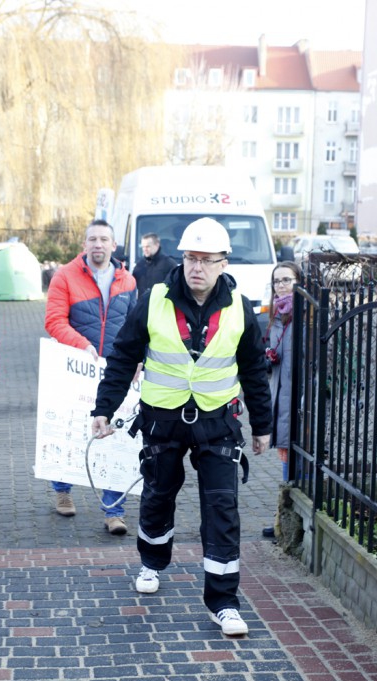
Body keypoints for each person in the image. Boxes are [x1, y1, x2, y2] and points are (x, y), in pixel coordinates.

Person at [90, 217, 272, 636]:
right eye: (191, 257)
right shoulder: (154, 299)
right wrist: (104, 407)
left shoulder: (240, 307)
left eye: (207, 260)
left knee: (222, 509)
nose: (198, 267)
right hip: (163, 420)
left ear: (224, 264)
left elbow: (255, 372)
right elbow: (122, 357)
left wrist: (261, 426)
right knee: (157, 497)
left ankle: (224, 602)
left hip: (218, 423)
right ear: (183, 259)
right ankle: (152, 562)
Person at [44, 219, 137, 535]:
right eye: (92, 239)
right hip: (75, 367)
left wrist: (137, 360)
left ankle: (114, 511)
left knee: (112, 438)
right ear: (84, 245)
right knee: (69, 433)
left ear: (113, 245)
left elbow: (136, 327)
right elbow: (54, 321)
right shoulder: (65, 276)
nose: (98, 245)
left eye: (104, 239)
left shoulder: (129, 281)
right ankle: (62, 489)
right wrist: (81, 345)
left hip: (114, 373)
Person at [262, 260, 302, 538]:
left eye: (287, 280)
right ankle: (283, 519)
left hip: (300, 401)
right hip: (280, 398)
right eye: (277, 281)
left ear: (299, 282)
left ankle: (291, 522)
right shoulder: (276, 316)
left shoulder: (306, 315)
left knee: (300, 461)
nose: (281, 286)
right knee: (286, 456)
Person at [131, 232, 178, 296]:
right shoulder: (140, 265)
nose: (145, 249)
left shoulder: (169, 264)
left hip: (161, 304)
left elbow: (175, 288)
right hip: (143, 304)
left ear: (157, 245)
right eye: (143, 247)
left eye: (148, 246)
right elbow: (131, 286)